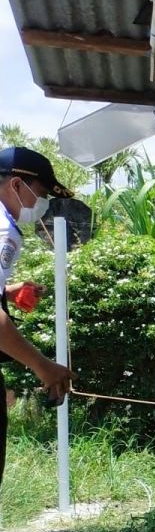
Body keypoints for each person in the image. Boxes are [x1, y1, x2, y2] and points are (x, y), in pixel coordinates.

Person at [0, 147, 74, 490]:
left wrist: (9, 291)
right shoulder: (4, 231)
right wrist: (42, 365)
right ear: (17, 184)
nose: (41, 204)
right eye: (41, 194)